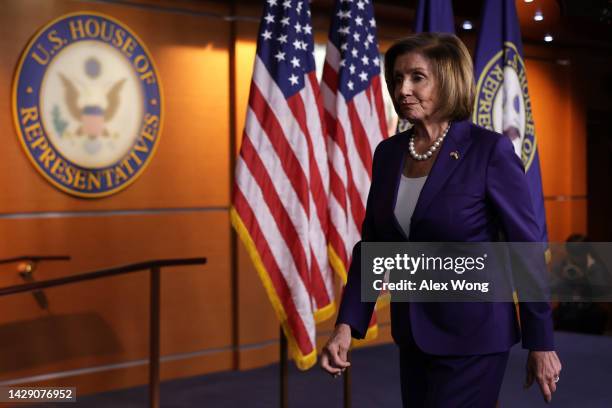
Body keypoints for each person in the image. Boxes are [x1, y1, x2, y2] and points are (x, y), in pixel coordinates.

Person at [320, 33, 562, 407]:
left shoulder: (488, 150)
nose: (403, 89)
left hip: (475, 338)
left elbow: (525, 251)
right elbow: (374, 248)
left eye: (418, 77)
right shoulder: (388, 154)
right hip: (414, 336)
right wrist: (345, 327)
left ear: (447, 81)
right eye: (398, 78)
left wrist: (541, 342)